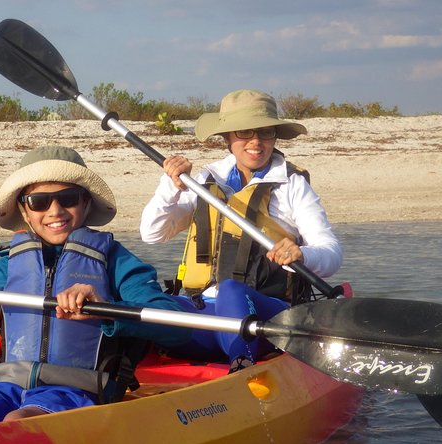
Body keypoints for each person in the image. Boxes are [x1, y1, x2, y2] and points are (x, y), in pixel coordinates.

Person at [0, 146, 189, 431]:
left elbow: (174, 325)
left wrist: (106, 312)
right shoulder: (8, 265)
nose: (55, 211)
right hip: (5, 386)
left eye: (68, 198)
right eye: (39, 201)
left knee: (19, 422)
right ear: (25, 208)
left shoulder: (116, 261)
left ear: (85, 202)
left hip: (76, 391)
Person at [140, 89, 342, 365]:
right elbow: (151, 233)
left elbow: (331, 254)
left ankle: (241, 367)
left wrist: (302, 255)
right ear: (227, 138)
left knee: (232, 290)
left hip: (266, 318)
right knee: (147, 301)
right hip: (205, 313)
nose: (256, 142)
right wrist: (170, 185)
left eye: (265, 132)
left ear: (275, 135)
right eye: (245, 132)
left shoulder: (292, 184)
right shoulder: (205, 179)